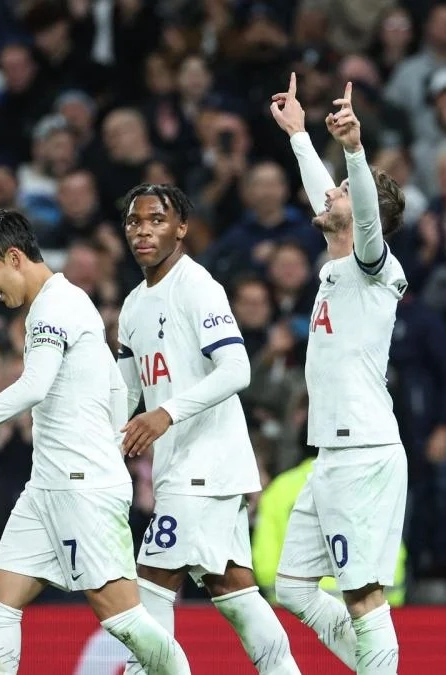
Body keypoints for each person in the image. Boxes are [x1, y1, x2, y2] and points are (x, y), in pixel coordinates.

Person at [0, 211, 190, 675]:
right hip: (47, 488)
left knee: (124, 620)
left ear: (13, 258)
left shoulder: (53, 308)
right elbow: (113, 387)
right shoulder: (69, 303)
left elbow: (34, 386)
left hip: (81, 489)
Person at [115, 184, 300, 675]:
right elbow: (124, 395)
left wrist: (165, 413)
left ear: (181, 228)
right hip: (186, 468)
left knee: (149, 584)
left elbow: (238, 369)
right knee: (233, 590)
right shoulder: (132, 305)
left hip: (205, 463)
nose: (143, 230)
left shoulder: (198, 287)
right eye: (134, 221)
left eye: (157, 220)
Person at [269, 74, 408, 674]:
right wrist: (299, 135)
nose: (329, 195)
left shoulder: (376, 268)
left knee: (362, 594)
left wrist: (355, 148)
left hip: (364, 453)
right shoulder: (335, 269)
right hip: (330, 454)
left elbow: (365, 220)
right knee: (293, 587)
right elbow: (329, 197)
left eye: (344, 190)